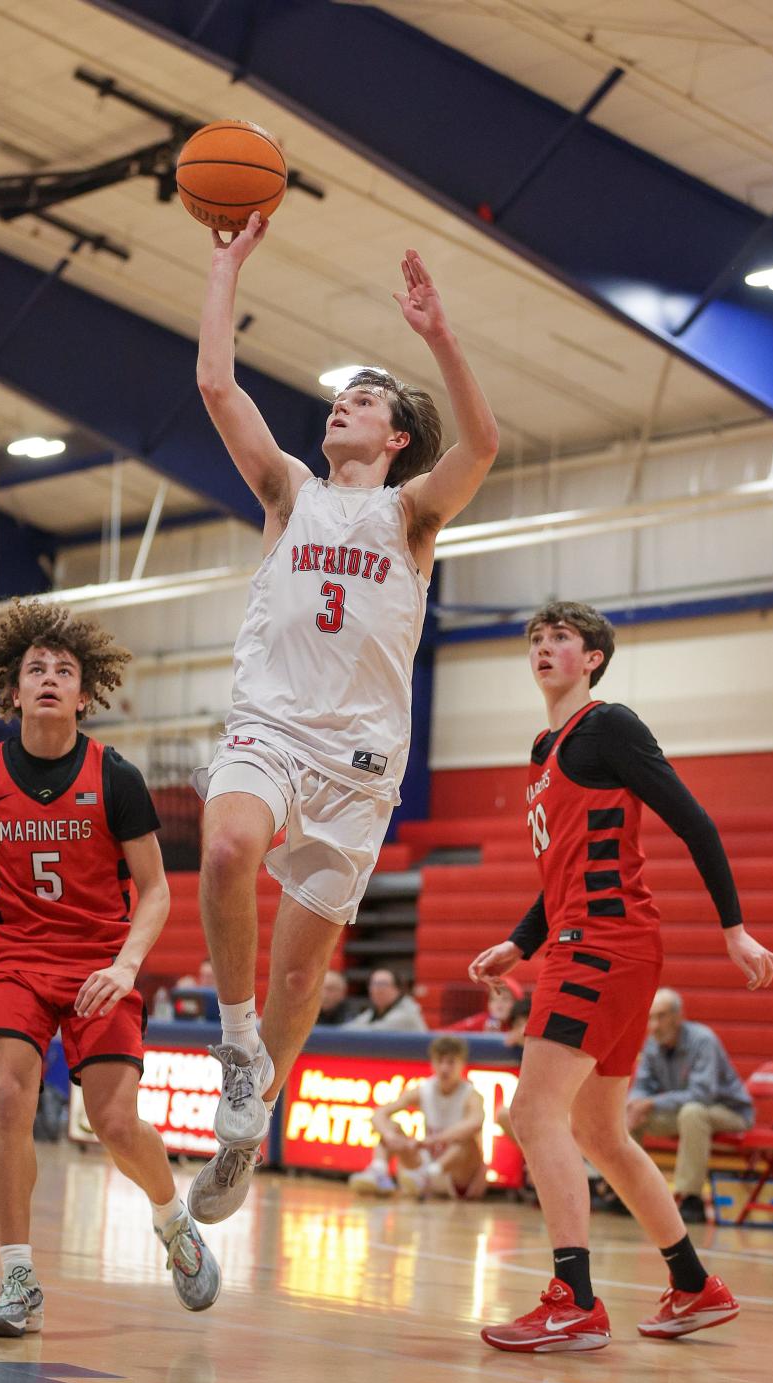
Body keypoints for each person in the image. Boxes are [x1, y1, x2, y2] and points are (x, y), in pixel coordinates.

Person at [189, 211, 498, 1224]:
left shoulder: (411, 515)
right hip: (269, 730)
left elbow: (487, 441)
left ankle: (249, 1125)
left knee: (303, 971)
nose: (340, 407)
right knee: (229, 851)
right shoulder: (289, 492)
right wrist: (225, 264)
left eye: (360, 400)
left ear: (395, 435)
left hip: (360, 764)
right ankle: (239, 1053)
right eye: (337, 398)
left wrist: (441, 335)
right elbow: (216, 388)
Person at [0, 599, 220, 1336]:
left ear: (82, 692)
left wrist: (129, 965)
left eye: (62, 670)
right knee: (7, 1096)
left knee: (113, 1121)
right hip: (17, 962)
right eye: (35, 668)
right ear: (14, 691)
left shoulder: (118, 777)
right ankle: (18, 1280)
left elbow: (159, 890)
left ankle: (173, 1223)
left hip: (101, 963)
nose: (47, 678)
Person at [469, 600, 773, 1353]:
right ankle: (693, 1284)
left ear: (594, 658)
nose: (544, 648)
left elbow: (694, 820)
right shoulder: (544, 749)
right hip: (596, 942)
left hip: (604, 944)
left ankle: (572, 1300)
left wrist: (733, 927)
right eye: (536, 639)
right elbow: (564, 873)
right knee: (599, 1131)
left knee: (533, 1111)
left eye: (561, 639)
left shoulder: (608, 726)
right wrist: (518, 942)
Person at [627, 988, 753, 1221]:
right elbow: (642, 1085)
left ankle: (690, 1198)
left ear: (678, 1016)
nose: (654, 1025)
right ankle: (626, 1193)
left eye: (661, 1016)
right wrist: (634, 1104)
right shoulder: (653, 1044)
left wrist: (652, 1102)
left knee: (693, 1112)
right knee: (630, 1115)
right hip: (684, 1112)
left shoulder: (702, 1040)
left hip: (729, 1112)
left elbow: (702, 1094)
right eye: (650, 1017)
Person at [351, 1035, 484, 1198]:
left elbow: (476, 1122)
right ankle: (378, 1170)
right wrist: (389, 1135)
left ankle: (428, 1175)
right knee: (391, 1128)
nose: (444, 1068)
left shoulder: (471, 1094)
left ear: (462, 1064)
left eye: (450, 1062)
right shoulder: (423, 1089)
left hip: (457, 1174)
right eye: (439, 1061)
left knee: (465, 1142)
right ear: (432, 1063)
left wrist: (437, 1139)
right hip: (427, 1162)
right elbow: (379, 1113)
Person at [342, 969, 427, 1033]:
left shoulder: (408, 1013)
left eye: (383, 984)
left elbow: (372, 1032)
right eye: (373, 984)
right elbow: (349, 1028)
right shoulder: (373, 1012)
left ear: (397, 989)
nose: (377, 989)